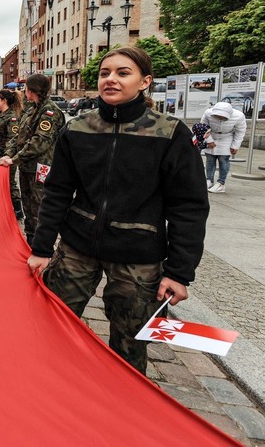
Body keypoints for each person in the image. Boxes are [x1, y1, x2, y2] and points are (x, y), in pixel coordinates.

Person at [27, 47, 209, 374]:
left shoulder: (169, 132)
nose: (110, 79)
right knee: (49, 322)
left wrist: (179, 272)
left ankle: (120, 410)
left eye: (123, 73)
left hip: (137, 255)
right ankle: (45, 389)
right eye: (104, 73)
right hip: (77, 247)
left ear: (144, 82)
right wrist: (41, 247)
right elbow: (56, 191)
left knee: (130, 342)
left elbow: (189, 207)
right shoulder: (78, 128)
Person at [0, 75, 64, 245]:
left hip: (41, 168)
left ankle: (42, 247)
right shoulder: (32, 109)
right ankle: (30, 242)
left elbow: (39, 143)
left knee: (40, 208)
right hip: (27, 167)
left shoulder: (50, 111)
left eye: (26, 88)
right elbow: (19, 137)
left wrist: (14, 160)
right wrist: (9, 154)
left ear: (31, 89)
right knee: (28, 206)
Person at [0, 89, 23, 219]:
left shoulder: (12, 117)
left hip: (5, 157)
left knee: (10, 184)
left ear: (4, 101)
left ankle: (18, 212)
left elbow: (13, 138)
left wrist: (7, 155)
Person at [201, 101, 246, 193]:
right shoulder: (208, 113)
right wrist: (209, 141)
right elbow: (203, 127)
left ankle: (221, 183)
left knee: (223, 160)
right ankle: (209, 180)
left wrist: (235, 145)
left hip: (227, 138)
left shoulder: (239, 116)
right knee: (210, 160)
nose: (220, 117)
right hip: (211, 135)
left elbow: (240, 131)